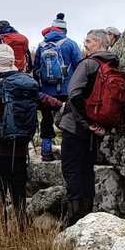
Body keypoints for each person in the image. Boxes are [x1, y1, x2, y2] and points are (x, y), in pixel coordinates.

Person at [0, 45, 61, 225]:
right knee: (18, 193)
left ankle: (1, 231)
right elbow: (49, 102)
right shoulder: (29, 85)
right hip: (20, 148)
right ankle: (22, 228)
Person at [60, 29, 123, 225]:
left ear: (97, 42)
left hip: (77, 128)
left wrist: (87, 124)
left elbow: (74, 94)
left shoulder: (88, 64)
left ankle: (74, 220)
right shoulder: (113, 64)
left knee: (72, 170)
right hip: (97, 130)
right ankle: (87, 217)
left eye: (88, 41)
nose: (85, 44)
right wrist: (97, 125)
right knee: (87, 171)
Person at [32, 13, 82, 161]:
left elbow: (36, 69)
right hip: (67, 90)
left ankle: (46, 152)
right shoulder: (71, 43)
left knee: (46, 120)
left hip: (46, 92)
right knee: (69, 120)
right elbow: (80, 65)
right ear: (64, 30)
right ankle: (68, 152)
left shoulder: (41, 45)